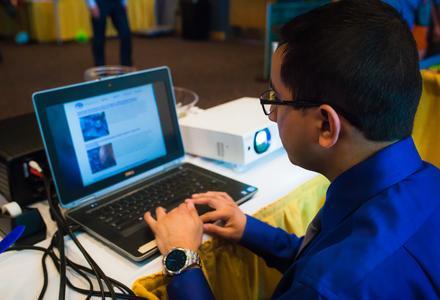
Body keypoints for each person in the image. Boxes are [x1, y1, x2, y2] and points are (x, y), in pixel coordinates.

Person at [143, 0, 440, 299]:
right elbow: (320, 254)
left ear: (326, 125)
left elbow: (325, 276)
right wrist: (249, 229)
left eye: (276, 98)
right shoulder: (426, 183)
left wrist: (181, 258)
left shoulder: (330, 286)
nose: (272, 114)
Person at [86, 0, 132, 66]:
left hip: (117, 3)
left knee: (126, 33)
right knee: (99, 37)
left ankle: (127, 65)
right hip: (99, 3)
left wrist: (124, 2)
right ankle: (100, 67)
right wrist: (92, 5)